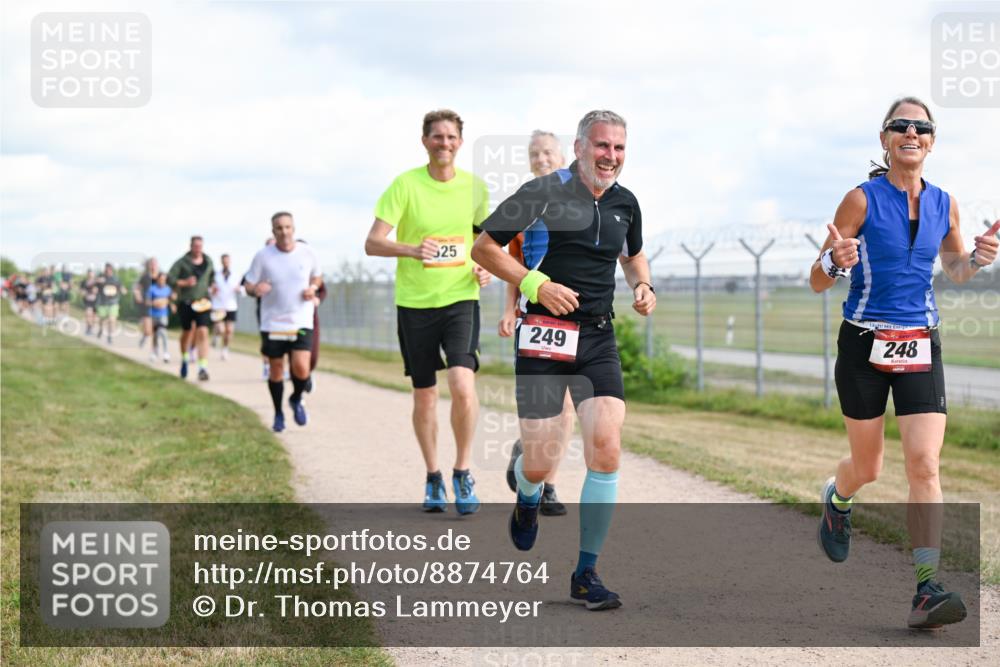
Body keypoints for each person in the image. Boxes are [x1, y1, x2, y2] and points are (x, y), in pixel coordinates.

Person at [810, 96, 998, 629]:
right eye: (900, 126)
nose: (911, 133)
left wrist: (978, 259)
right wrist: (833, 260)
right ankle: (837, 496)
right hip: (864, 346)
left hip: (921, 343)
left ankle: (926, 588)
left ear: (932, 142)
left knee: (925, 465)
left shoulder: (946, 203)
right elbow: (817, 279)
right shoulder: (860, 200)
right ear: (885, 139)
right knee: (867, 468)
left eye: (921, 127)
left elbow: (956, 270)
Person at [472, 110, 655, 611]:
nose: (610, 157)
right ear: (579, 147)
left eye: (619, 148)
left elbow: (633, 254)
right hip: (544, 338)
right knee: (543, 459)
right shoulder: (543, 192)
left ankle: (586, 572)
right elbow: (483, 248)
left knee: (606, 446)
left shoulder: (625, 201)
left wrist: (642, 283)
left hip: (598, 337)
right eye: (601, 146)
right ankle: (528, 492)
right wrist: (535, 284)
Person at [365, 109, 491, 514]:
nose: (444, 143)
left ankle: (463, 470)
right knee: (424, 396)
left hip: (460, 298)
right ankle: (434, 476)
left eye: (451, 137)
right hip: (415, 303)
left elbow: (484, 241)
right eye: (437, 137)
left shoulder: (474, 189)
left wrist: (483, 266)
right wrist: (411, 249)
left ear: (460, 142)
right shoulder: (405, 185)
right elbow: (373, 242)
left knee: (461, 383)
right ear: (425, 141)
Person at [500, 130, 574, 517]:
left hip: (574, 312)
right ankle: (528, 452)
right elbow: (510, 263)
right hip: (534, 312)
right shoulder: (524, 202)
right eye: (534, 153)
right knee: (539, 403)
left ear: (563, 157)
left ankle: (548, 485)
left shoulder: (582, 198)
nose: (541, 158)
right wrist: (509, 308)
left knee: (564, 405)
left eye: (548, 152)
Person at [243, 212, 322, 433]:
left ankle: (296, 398)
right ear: (273, 231)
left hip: (301, 319)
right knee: (276, 370)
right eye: (279, 228)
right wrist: (255, 289)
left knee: (301, 366)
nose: (284, 232)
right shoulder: (263, 256)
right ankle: (278, 413)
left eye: (287, 227)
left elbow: (317, 276)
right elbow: (248, 284)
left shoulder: (308, 253)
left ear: (293, 229)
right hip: (273, 322)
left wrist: (313, 288)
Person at [167, 236, 215, 381]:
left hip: (203, 302)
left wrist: (214, 287)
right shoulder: (182, 263)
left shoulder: (208, 262)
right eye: (195, 246)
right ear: (191, 246)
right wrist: (183, 282)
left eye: (200, 246)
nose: (198, 249)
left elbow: (212, 278)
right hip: (186, 302)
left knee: (203, 331)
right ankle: (185, 358)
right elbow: (170, 279)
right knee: (187, 332)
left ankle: (202, 367)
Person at [211, 253, 242, 360]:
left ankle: (225, 349)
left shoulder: (236, 275)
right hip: (218, 305)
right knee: (221, 329)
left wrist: (239, 289)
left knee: (229, 331)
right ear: (221, 262)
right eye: (224, 261)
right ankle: (216, 335)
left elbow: (242, 288)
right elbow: (210, 289)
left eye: (227, 261)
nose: (226, 263)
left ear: (230, 262)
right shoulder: (215, 275)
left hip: (231, 305)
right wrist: (212, 291)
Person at [145, 272, 174, 363]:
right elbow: (146, 302)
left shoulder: (168, 289)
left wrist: (172, 305)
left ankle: (166, 352)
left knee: (163, 332)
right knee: (155, 335)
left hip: (163, 314)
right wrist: (155, 303)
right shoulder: (152, 289)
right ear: (158, 279)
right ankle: (154, 352)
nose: (162, 281)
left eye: (164, 280)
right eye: (161, 279)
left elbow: (170, 300)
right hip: (153, 314)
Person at [133, 258, 159, 350]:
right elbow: (137, 288)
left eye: (155, 264)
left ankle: (155, 349)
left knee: (157, 329)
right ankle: (145, 336)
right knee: (148, 330)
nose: (153, 266)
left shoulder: (161, 277)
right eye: (151, 264)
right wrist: (138, 295)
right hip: (147, 305)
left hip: (159, 306)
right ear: (148, 265)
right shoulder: (145, 277)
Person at [94, 263, 123, 343]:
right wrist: (97, 282)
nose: (107, 271)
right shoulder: (101, 277)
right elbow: (94, 285)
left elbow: (120, 287)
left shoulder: (116, 279)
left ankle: (110, 336)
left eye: (109, 269)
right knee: (101, 319)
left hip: (113, 302)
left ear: (111, 270)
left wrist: (123, 290)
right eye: (106, 270)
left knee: (112, 319)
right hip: (102, 302)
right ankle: (100, 329)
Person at [79, 269, 99, 334]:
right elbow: (81, 291)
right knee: (88, 314)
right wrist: (83, 293)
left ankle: (91, 327)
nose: (90, 275)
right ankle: (89, 328)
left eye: (92, 274)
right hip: (87, 301)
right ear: (87, 274)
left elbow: (100, 290)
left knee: (94, 317)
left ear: (94, 275)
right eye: (89, 274)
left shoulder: (97, 282)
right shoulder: (84, 282)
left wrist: (96, 291)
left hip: (96, 301)